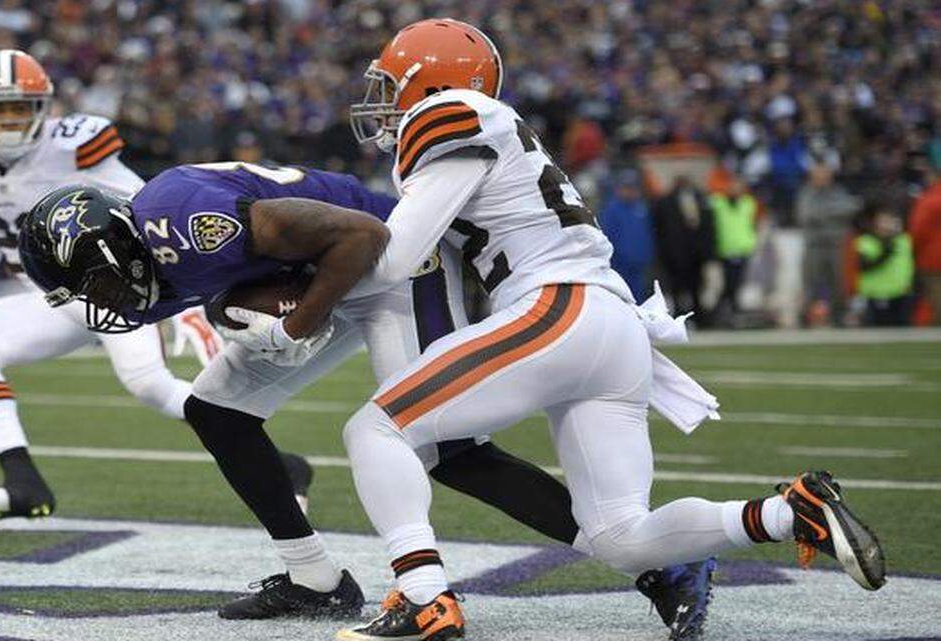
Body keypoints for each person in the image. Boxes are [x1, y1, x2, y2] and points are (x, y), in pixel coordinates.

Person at [338, 19, 886, 640]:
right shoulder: (494, 131)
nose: (383, 101)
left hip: (557, 309)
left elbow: (396, 256)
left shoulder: (452, 110)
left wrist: (315, 281)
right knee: (621, 537)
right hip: (611, 329)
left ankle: (424, 597)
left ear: (429, 80)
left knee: (377, 427)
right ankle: (789, 514)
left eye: (391, 83)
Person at [17, 163, 712, 634]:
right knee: (216, 409)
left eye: (96, 284)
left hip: (395, 265)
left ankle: (661, 564)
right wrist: (243, 308)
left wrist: (296, 321)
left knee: (445, 449)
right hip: (329, 274)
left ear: (115, 246)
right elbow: (233, 283)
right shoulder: (143, 267)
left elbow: (364, 235)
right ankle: (315, 578)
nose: (99, 303)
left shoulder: (188, 221)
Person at [0, 49, 221, 522]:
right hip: (47, 298)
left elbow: (148, 205)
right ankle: (21, 480)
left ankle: (275, 462)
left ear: (43, 108)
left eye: (19, 108)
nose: (8, 120)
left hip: (116, 290)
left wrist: (180, 291)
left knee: (150, 385)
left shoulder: (73, 145)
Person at [795, 163, 861, 325]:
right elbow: (806, 214)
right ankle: (805, 318)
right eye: (818, 175)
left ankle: (838, 317)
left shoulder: (839, 192)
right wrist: (834, 215)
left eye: (825, 175)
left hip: (835, 245)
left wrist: (823, 213)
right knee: (810, 283)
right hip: (814, 246)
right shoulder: (806, 192)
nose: (822, 179)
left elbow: (853, 207)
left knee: (838, 282)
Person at [652, 175, 716, 321]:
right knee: (677, 287)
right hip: (676, 254)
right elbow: (660, 229)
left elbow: (708, 227)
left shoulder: (701, 199)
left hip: (696, 253)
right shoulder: (665, 202)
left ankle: (697, 315)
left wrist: (707, 252)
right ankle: (679, 314)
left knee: (697, 286)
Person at [598, 168, 654, 300]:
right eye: (626, 187)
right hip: (619, 266)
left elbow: (647, 234)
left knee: (638, 298)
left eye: (633, 188)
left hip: (639, 265)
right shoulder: (611, 210)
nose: (630, 191)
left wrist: (647, 255)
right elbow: (607, 237)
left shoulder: (641, 208)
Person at [855, 204, 915, 326]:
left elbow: (910, 264)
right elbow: (863, 266)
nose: (888, 225)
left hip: (901, 294)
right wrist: (884, 255)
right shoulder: (866, 241)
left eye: (891, 221)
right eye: (884, 221)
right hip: (875, 295)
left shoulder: (904, 240)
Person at [708, 176, 760, 318]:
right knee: (729, 283)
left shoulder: (748, 203)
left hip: (743, 249)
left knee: (737, 282)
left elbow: (752, 224)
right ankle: (723, 309)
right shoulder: (718, 203)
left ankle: (730, 308)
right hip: (726, 250)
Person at [908, 164, 941, 324]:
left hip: (932, 260)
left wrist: (914, 252)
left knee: (935, 301)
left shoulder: (929, 200)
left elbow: (918, 230)